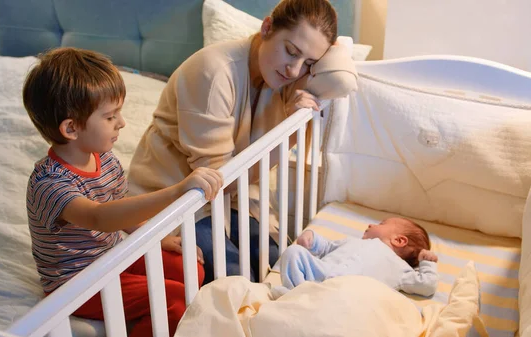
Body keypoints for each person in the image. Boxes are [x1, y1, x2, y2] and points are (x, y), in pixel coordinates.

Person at [127, 0, 358, 284]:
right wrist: (287, 131)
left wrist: (329, 51)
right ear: (267, 26)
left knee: (281, 265)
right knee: (238, 278)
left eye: (310, 63)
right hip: (182, 197)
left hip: (234, 197)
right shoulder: (213, 73)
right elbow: (219, 181)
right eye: (291, 51)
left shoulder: (284, 76)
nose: (295, 71)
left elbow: (342, 79)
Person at [23, 47, 223, 337]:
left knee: (191, 269)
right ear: (71, 128)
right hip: (77, 284)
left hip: (112, 256)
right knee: (173, 297)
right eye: (110, 116)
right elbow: (100, 217)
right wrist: (177, 191)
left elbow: (120, 209)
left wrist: (158, 238)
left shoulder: (103, 157)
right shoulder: (49, 183)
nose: (121, 122)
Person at [278, 217, 439, 297]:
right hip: (320, 274)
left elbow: (426, 285)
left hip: (349, 292)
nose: (370, 225)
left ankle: (301, 298)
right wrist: (311, 238)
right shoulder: (352, 242)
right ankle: (295, 294)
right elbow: (328, 247)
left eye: (381, 224)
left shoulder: (400, 268)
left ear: (399, 240)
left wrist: (427, 262)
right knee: (293, 252)